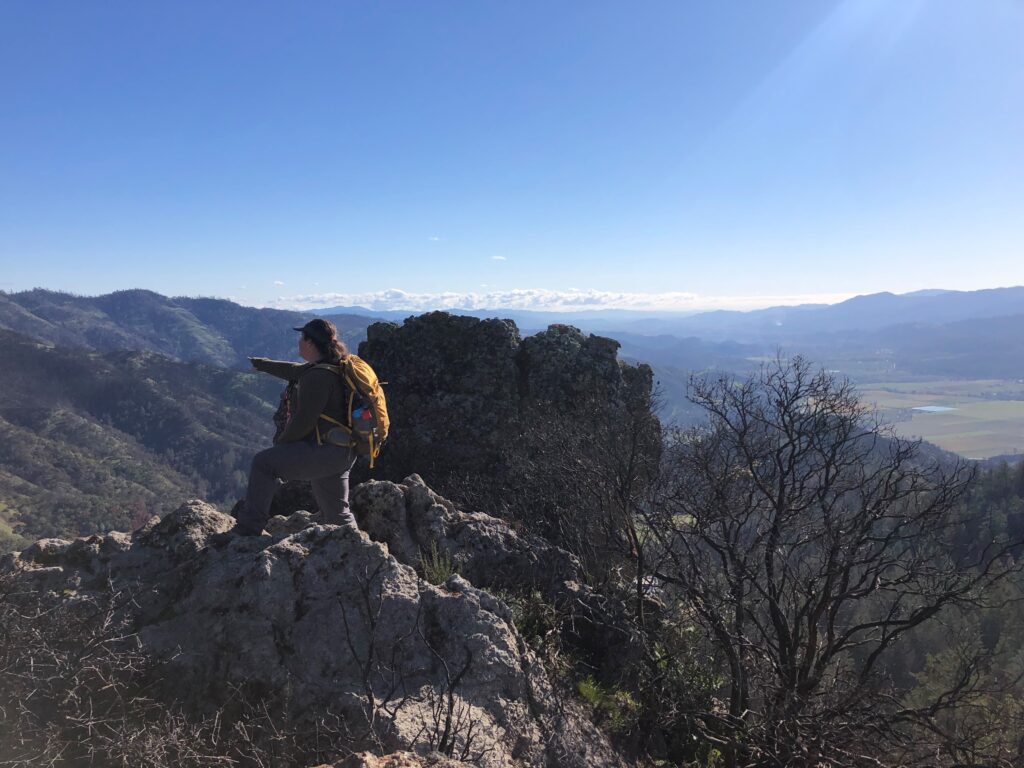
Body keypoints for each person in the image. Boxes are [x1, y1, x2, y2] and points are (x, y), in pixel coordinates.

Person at [220, 318, 358, 538]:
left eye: (302, 337)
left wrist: (281, 446)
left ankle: (247, 529)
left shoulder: (318, 377)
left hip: (325, 452)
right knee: (337, 514)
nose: (299, 342)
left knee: (264, 463)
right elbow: (295, 371)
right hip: (343, 450)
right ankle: (357, 548)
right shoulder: (332, 366)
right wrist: (261, 364)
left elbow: (303, 421)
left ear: (310, 343)